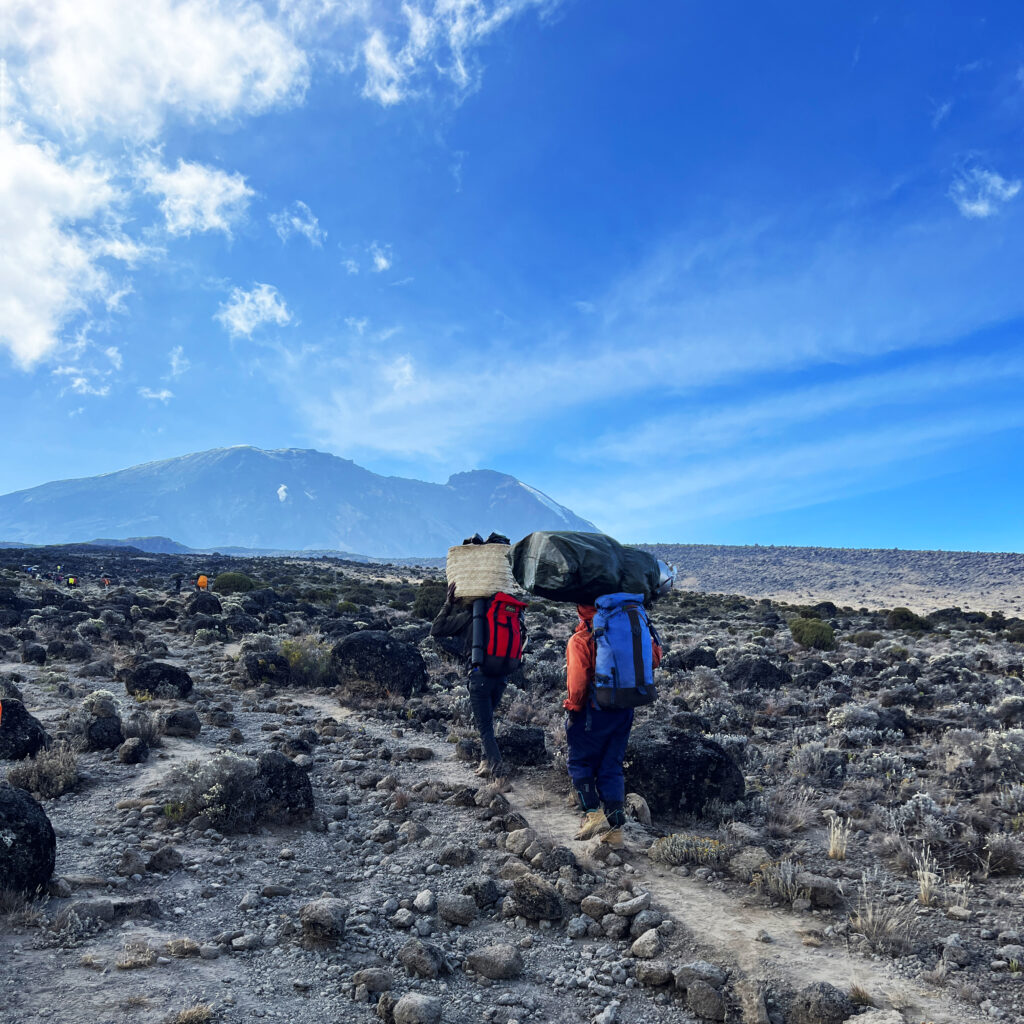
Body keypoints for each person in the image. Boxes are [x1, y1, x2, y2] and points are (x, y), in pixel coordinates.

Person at [563, 563, 674, 848]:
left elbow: (577, 684)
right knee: (612, 766)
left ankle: (592, 814)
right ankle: (615, 833)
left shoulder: (581, 638)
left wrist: (573, 708)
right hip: (625, 707)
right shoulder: (630, 627)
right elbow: (655, 659)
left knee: (580, 762)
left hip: (591, 711)